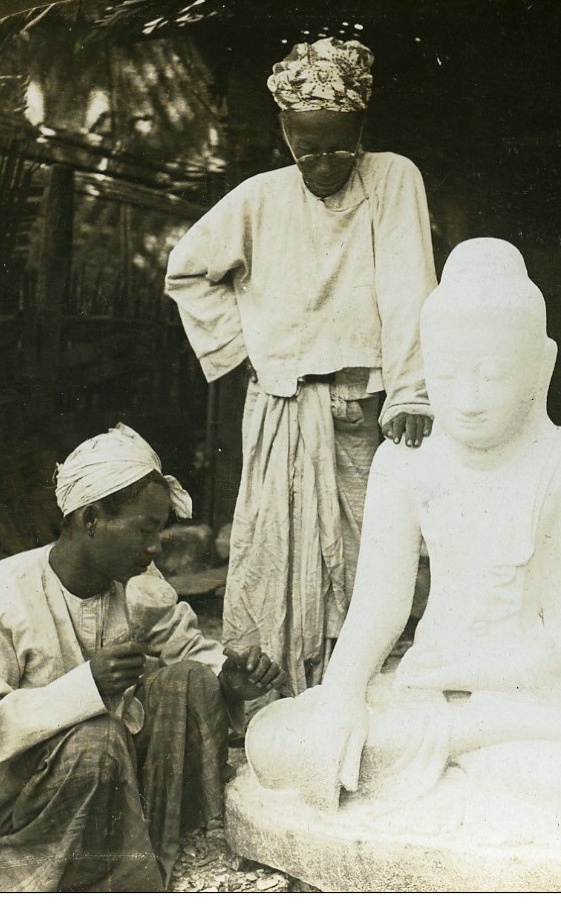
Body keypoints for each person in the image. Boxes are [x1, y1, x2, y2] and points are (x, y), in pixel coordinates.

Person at [244, 239, 561, 858]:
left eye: (491, 374)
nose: (467, 397)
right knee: (272, 740)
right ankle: (482, 742)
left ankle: (469, 752)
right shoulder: (404, 465)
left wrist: (483, 673)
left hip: (548, 690)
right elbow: (379, 606)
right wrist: (343, 694)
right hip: (435, 695)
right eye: (447, 375)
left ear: (541, 367)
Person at [165, 37, 437, 697]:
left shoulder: (393, 178)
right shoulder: (260, 198)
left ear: (361, 132)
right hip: (284, 406)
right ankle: (276, 697)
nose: (323, 162)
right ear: (284, 135)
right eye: (306, 147)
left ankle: (363, 691)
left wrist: (412, 391)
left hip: (369, 408)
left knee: (379, 548)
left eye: (338, 146)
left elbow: (410, 286)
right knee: (278, 552)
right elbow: (188, 269)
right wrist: (250, 348)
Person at [0, 424, 284, 892]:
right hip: (15, 789)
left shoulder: (140, 580)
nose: (156, 545)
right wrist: (88, 687)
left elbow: (190, 653)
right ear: (91, 519)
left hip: (113, 764)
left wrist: (231, 681)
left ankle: (140, 836)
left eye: (160, 529)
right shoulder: (0, 591)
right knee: (97, 735)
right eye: (146, 528)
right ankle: (112, 872)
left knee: (190, 682)